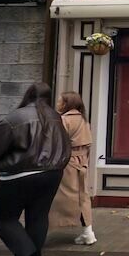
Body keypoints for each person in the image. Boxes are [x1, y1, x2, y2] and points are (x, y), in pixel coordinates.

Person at [0, 82, 70, 256]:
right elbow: (66, 145)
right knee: (38, 216)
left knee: (4, 218)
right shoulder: (56, 118)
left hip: (19, 174)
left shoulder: (15, 118)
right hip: (52, 174)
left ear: (28, 95)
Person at [49, 91, 96, 245]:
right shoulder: (83, 120)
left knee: (64, 197)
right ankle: (88, 231)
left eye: (60, 101)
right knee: (83, 196)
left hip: (67, 162)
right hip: (82, 162)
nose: (57, 104)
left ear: (66, 104)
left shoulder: (63, 120)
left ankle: (46, 227)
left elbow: (56, 143)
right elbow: (88, 143)